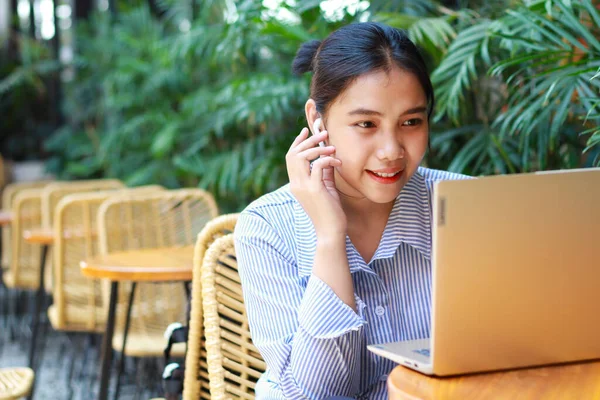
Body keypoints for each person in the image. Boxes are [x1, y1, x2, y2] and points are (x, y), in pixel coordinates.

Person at [234, 21, 469, 399]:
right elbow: (314, 394)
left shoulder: (464, 204)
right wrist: (329, 238)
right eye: (366, 124)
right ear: (317, 120)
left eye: (411, 122)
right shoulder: (267, 227)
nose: (391, 149)